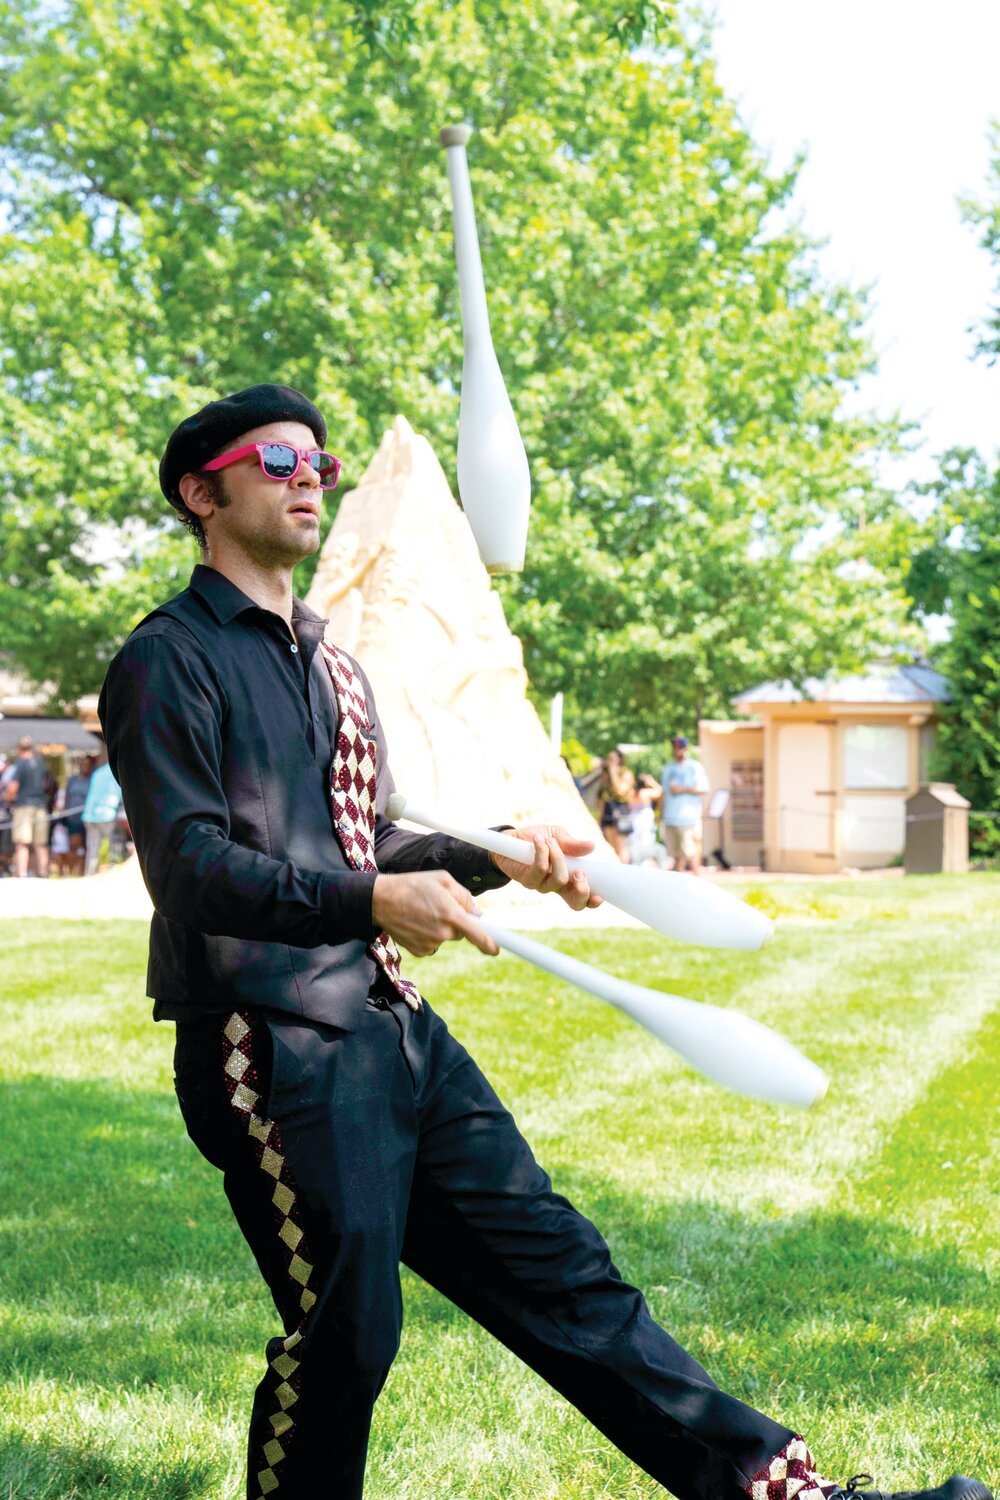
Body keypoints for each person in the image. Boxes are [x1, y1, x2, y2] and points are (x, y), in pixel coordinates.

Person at [99, 385, 989, 1500]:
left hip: (394, 1035)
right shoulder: (166, 660)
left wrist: (497, 852)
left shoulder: (331, 664)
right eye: (277, 460)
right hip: (269, 1044)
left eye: (320, 461)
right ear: (202, 492)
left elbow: (356, 838)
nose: (311, 477)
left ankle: (784, 1493)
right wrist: (375, 901)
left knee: (572, 1282)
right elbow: (188, 869)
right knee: (348, 1335)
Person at [660, 735, 710, 874]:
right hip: (670, 816)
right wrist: (660, 813)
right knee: (676, 854)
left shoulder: (694, 766)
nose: (677, 749)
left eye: (680, 746)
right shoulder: (668, 767)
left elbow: (703, 788)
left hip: (687, 817)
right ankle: (679, 883)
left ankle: (698, 879)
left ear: (686, 748)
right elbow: (663, 792)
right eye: (675, 746)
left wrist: (683, 789)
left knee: (689, 851)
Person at [5, 734, 50, 879]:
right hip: (41, 806)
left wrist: (8, 797)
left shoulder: (20, 763)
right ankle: (42, 873)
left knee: (22, 843)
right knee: (40, 844)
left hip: (24, 806)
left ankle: (22, 874)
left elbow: (13, 788)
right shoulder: (40, 762)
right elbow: (46, 784)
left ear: (19, 748)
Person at [81, 744, 123, 876]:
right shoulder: (118, 772)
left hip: (90, 816)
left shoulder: (98, 773)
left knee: (93, 850)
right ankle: (109, 876)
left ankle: (90, 874)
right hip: (108, 815)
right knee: (112, 849)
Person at [596, 747, 636, 861]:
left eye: (612, 759)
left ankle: (624, 871)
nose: (609, 761)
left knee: (621, 846)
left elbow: (619, 790)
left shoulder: (626, 773)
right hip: (608, 810)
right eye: (608, 758)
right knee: (611, 846)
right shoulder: (605, 775)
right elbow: (602, 796)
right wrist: (599, 818)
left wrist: (613, 772)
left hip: (620, 809)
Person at [628, 772, 669, 868]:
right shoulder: (645, 792)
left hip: (634, 820)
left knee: (636, 843)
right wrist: (652, 781)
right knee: (648, 842)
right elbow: (661, 791)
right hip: (646, 820)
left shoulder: (631, 793)